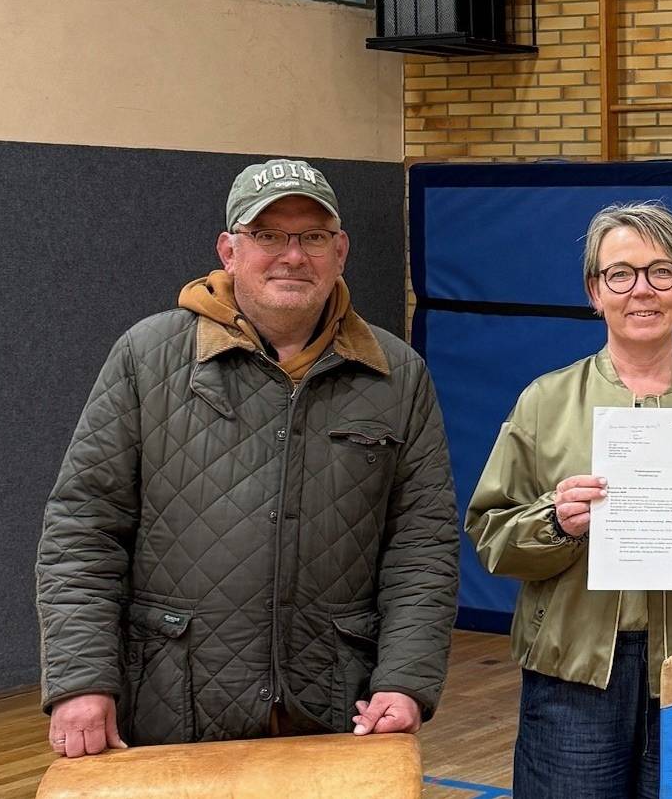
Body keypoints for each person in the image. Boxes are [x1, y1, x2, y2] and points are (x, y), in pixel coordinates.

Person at [36, 159, 460, 757]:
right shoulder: (146, 357)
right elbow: (83, 529)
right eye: (267, 236)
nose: (292, 255)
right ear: (229, 250)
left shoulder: (398, 375)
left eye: (312, 237)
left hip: (337, 707)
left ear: (340, 251)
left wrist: (405, 680)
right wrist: (82, 681)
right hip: (171, 705)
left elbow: (422, 545)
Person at [465, 202, 672, 799]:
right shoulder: (545, 402)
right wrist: (555, 523)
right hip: (572, 677)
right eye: (620, 274)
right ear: (595, 292)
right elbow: (491, 535)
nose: (641, 291)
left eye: (661, 271)